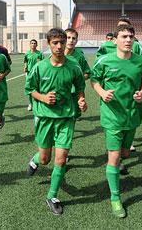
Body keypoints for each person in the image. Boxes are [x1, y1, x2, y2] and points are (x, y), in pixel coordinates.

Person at [91, 24, 142, 218]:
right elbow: (94, 79)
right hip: (112, 116)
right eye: (124, 36)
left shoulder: (141, 62)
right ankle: (115, 198)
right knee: (115, 156)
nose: (128, 40)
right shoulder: (104, 61)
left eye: (131, 37)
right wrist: (102, 92)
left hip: (132, 114)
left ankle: (114, 167)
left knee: (125, 154)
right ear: (115, 40)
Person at [25, 28, 87, 215]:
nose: (59, 46)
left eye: (62, 42)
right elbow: (30, 89)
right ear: (49, 44)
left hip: (66, 117)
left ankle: (52, 196)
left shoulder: (74, 66)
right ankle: (36, 160)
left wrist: (81, 100)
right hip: (45, 117)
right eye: (55, 43)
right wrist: (43, 98)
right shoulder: (40, 67)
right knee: (45, 159)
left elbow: (80, 88)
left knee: (60, 159)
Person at [64, 28, 91, 120]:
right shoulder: (57, 54)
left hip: (75, 92)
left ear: (76, 41)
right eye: (68, 37)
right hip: (60, 91)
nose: (71, 40)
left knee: (73, 116)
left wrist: (78, 79)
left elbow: (87, 73)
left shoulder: (79, 57)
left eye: (73, 38)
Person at [24, 39, 44, 111]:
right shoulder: (27, 53)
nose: (33, 44)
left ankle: (38, 103)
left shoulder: (39, 53)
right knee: (29, 88)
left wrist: (40, 63)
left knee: (38, 88)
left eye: (34, 43)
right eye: (32, 43)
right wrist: (25, 67)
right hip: (29, 73)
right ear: (30, 45)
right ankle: (30, 104)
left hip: (37, 73)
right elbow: (26, 61)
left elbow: (43, 62)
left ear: (37, 45)